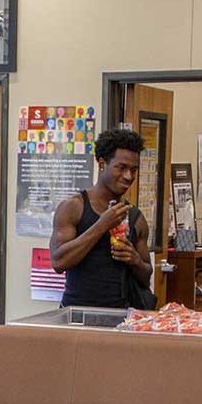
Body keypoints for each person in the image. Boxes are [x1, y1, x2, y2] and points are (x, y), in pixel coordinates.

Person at [50, 126, 153, 309]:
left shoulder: (136, 217)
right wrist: (101, 226)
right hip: (76, 318)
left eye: (133, 170)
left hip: (121, 319)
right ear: (102, 163)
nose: (128, 176)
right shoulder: (74, 207)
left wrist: (134, 259)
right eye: (121, 168)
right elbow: (58, 262)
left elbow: (146, 278)